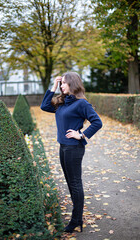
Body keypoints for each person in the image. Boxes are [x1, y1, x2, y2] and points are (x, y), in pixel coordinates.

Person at [41, 72, 102, 233]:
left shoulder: (81, 104)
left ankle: (76, 220)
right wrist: (54, 86)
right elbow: (45, 106)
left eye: (64, 83)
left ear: (73, 84)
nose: (62, 86)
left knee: (75, 184)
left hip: (74, 148)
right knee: (70, 183)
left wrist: (81, 134)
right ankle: (77, 218)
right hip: (63, 147)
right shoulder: (63, 102)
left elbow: (97, 122)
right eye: (61, 84)